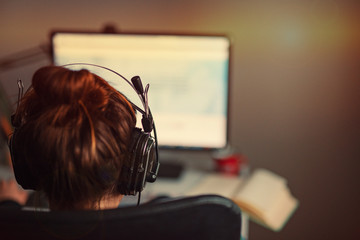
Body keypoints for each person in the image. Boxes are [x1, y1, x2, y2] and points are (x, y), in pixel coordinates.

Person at [0, 65, 137, 210]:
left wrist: (8, 205)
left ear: (28, 170)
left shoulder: (9, 228)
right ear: (137, 164)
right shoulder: (159, 225)